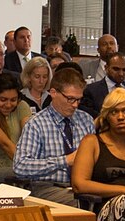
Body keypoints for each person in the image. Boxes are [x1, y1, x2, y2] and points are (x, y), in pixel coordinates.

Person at [10, 67, 94, 206]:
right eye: (70, 99)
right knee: (85, 202)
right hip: (47, 187)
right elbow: (20, 166)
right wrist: (64, 161)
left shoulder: (86, 120)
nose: (75, 105)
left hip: (83, 185)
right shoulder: (36, 123)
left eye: (79, 100)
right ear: (53, 93)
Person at [80, 50, 125, 117]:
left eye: (124, 70)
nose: (121, 74)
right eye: (116, 69)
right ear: (106, 68)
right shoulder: (91, 91)